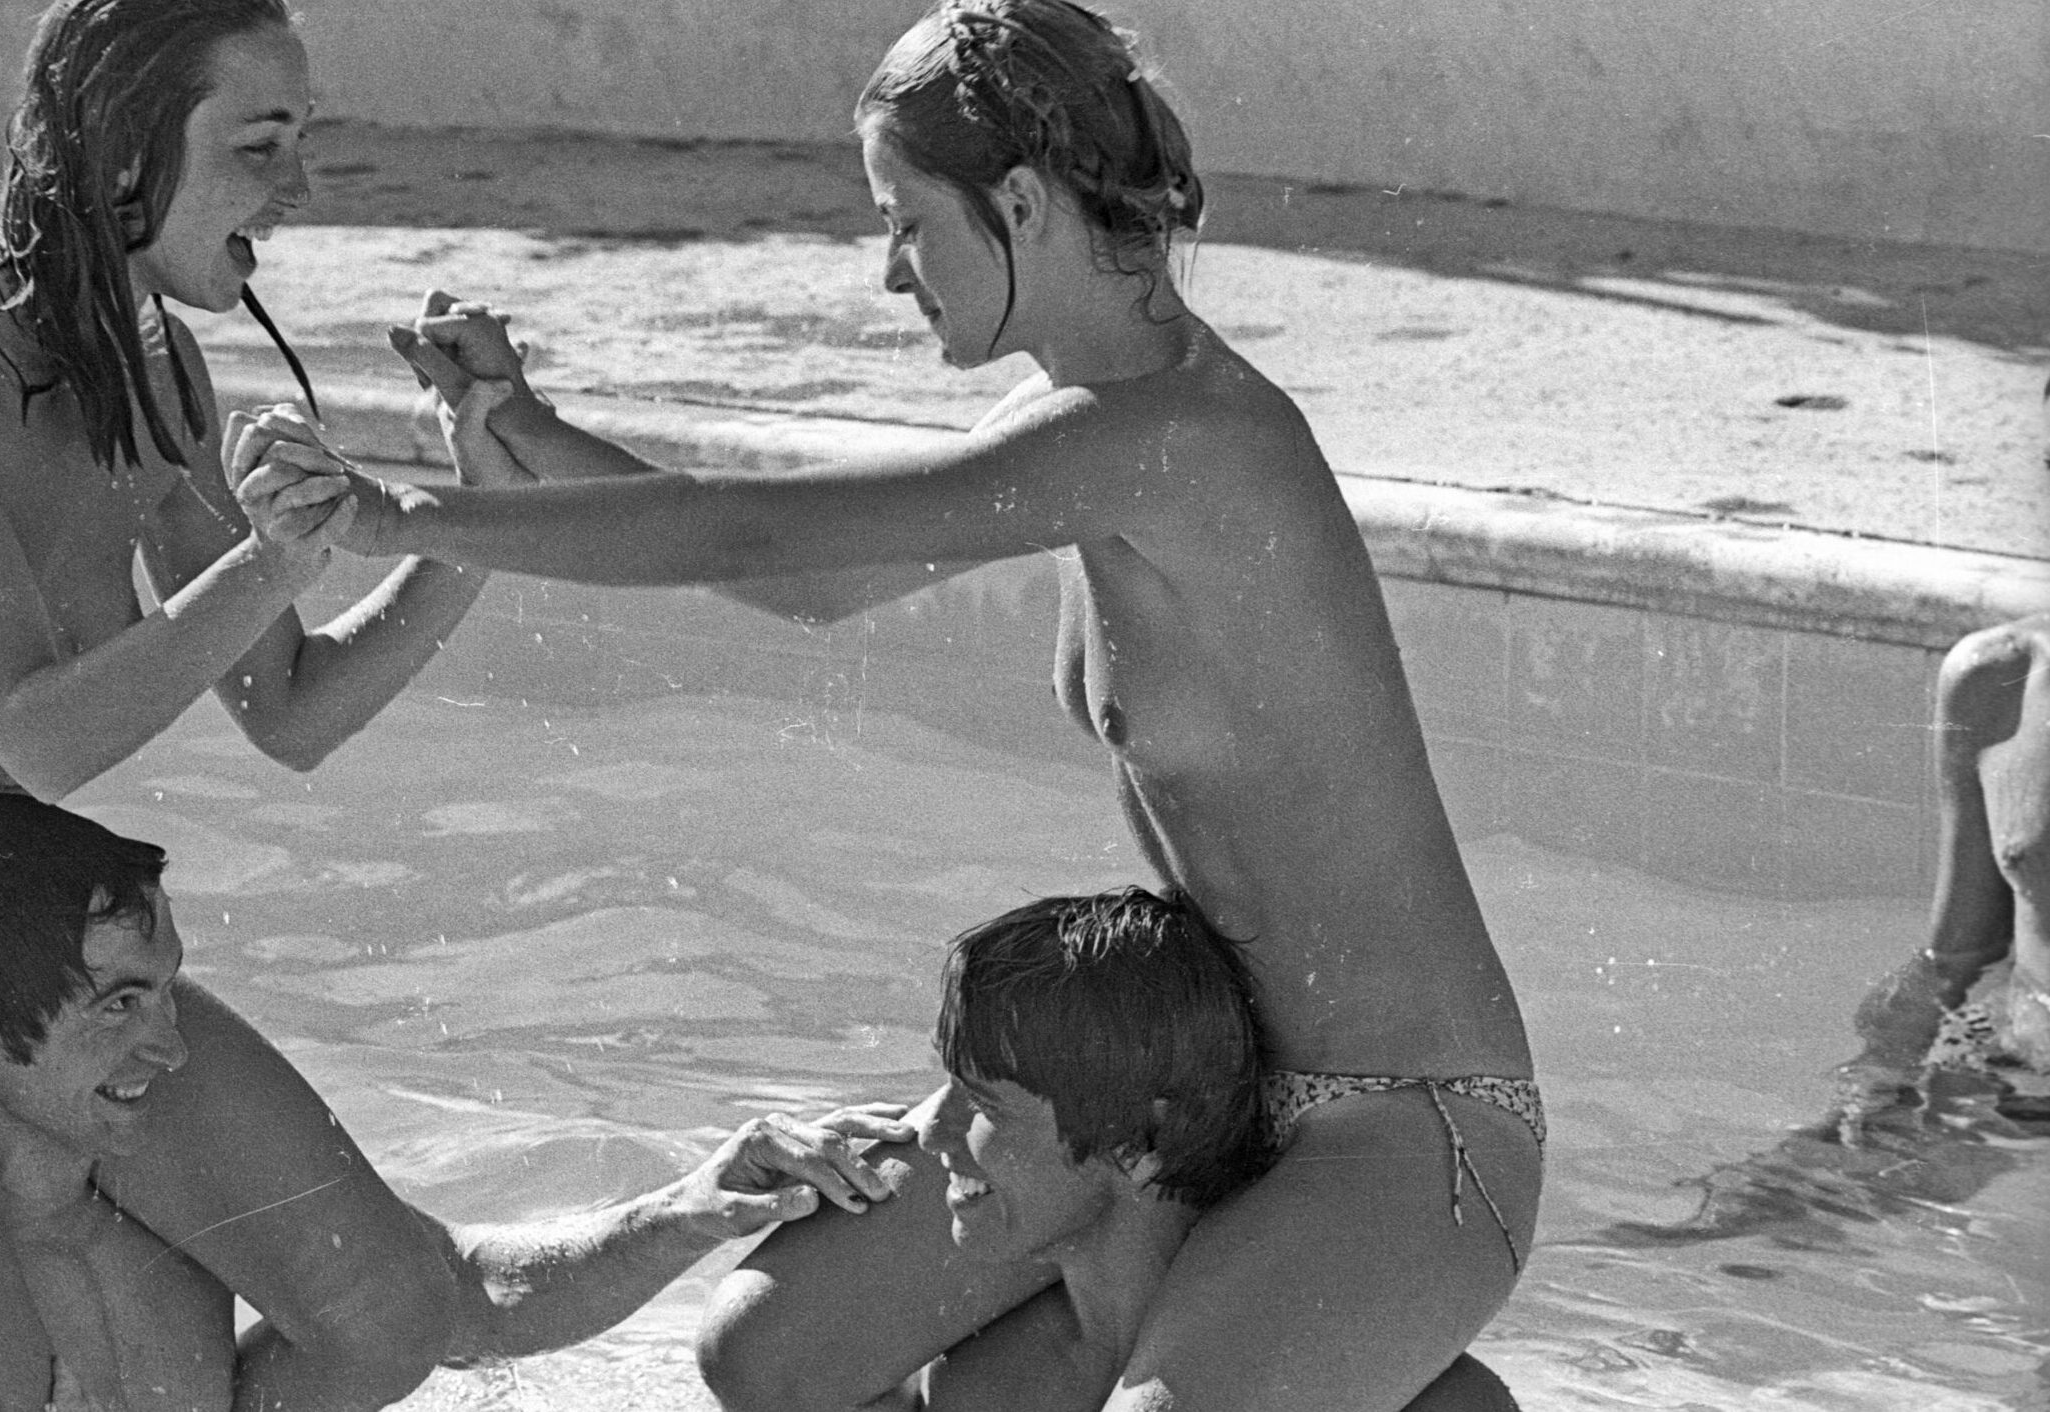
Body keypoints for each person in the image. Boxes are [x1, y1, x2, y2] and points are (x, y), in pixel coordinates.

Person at [228, 2, 1543, 1405]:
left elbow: (750, 540)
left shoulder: (1173, 439)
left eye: (907, 223)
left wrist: (400, 520)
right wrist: (526, 435)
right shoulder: (1090, 420)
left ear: (1021, 204)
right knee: (769, 1355)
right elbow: (820, 578)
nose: (889, 274)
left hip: (1400, 1123)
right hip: (1177, 1101)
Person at [0, 4, 524, 1408]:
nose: (295, 192)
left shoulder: (158, 370)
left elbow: (291, 707)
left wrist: (476, 516)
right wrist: (266, 560)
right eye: (260, 145)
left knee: (385, 1313)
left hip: (17, 959)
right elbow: (40, 733)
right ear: (123, 151)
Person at [0, 794, 907, 1412]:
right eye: (117, 1003)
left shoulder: (175, 1245)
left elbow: (454, 1298)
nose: (172, 1045)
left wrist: (696, 1204)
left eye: (170, 989)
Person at [905, 886, 1517, 1411]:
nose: (929, 1131)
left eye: (983, 1103)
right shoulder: (981, 1384)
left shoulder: (1422, 1399)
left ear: (1143, 1134)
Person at [1837, 612, 2050, 1126]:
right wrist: (1874, 1079)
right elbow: (1956, 955)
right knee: (1761, 1201)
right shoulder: (1997, 675)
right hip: (2017, 1072)